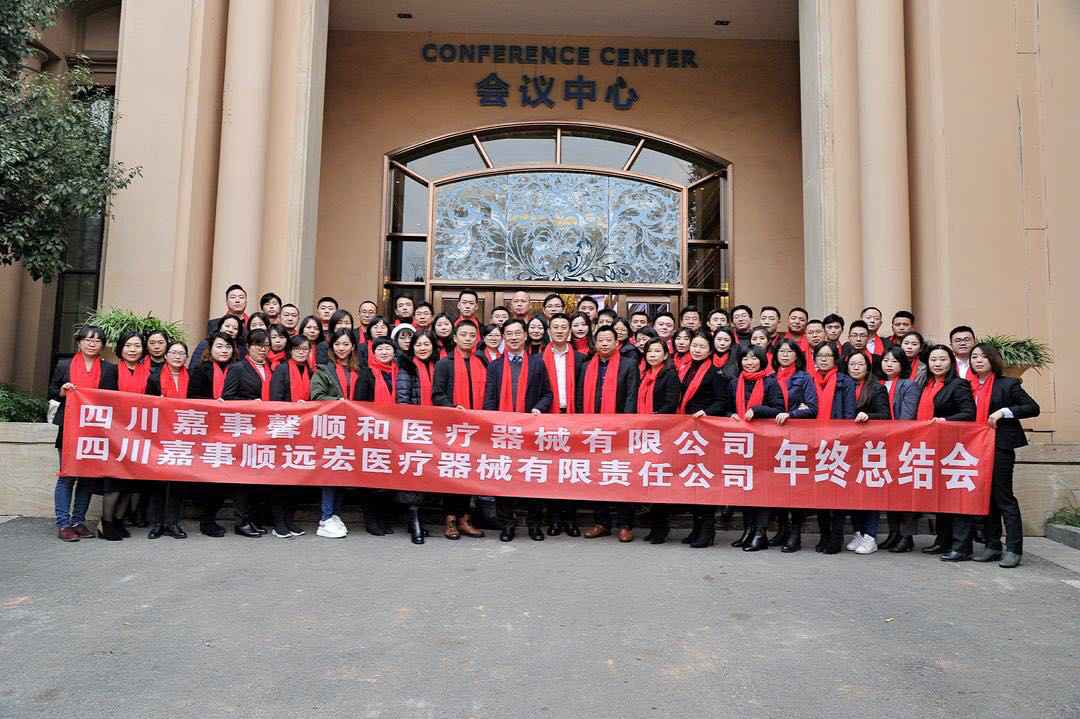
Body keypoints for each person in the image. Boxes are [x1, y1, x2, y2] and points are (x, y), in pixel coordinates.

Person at [944, 343, 1038, 567]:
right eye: (974, 357)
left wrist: (1004, 412)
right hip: (973, 449)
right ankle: (993, 545)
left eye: (983, 357)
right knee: (984, 498)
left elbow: (1032, 408)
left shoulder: (1008, 384)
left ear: (993, 360)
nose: (978, 360)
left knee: (1003, 497)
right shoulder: (967, 386)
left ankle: (1014, 549)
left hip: (999, 446)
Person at [482, 319, 553, 541]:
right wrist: (492, 422)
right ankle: (507, 525)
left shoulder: (537, 364)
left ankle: (534, 525)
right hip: (504, 433)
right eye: (509, 334)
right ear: (504, 337)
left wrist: (538, 409)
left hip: (530, 431)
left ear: (525, 336)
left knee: (532, 477)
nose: (513, 337)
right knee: (504, 478)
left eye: (517, 333)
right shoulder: (494, 366)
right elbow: (489, 399)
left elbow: (548, 394)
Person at [49, 325, 118, 541]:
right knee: (67, 476)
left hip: (94, 429)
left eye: (97, 341)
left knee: (87, 477)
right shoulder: (64, 364)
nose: (92, 344)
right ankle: (63, 523)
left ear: (102, 345)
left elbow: (112, 398)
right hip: (69, 428)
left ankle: (78, 521)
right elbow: (52, 391)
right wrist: (63, 391)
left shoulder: (108, 369)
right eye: (87, 339)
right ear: (79, 342)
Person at [578, 326, 639, 541]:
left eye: (608, 340)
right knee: (597, 476)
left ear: (617, 343)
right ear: (595, 343)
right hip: (593, 431)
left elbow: (631, 396)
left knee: (621, 475)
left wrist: (625, 425)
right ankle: (601, 522)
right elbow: (580, 397)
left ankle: (625, 524)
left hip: (620, 431)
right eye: (600, 340)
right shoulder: (586, 366)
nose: (604, 343)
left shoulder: (629, 364)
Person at [676, 332, 735, 549]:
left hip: (705, 432)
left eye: (702, 346)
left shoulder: (715, 373)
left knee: (703, 481)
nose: (697, 349)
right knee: (692, 480)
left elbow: (721, 402)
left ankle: (708, 530)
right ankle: (696, 527)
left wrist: (705, 412)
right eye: (694, 345)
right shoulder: (684, 369)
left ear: (710, 350)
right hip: (687, 432)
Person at [916, 344, 977, 555]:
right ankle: (943, 540)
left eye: (942, 359)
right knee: (940, 497)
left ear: (951, 362)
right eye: (933, 360)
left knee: (956, 497)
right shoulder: (926, 384)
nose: (937, 364)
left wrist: (945, 420)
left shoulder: (959, 385)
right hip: (932, 447)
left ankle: (962, 546)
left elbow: (969, 413)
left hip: (953, 448)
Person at [432, 321, 487, 539]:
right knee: (453, 472)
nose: (467, 338)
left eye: (472, 335)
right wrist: (454, 408)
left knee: (469, 473)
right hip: (452, 427)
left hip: (476, 428)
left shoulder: (481, 362)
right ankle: (450, 520)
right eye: (463, 334)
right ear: (455, 338)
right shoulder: (444, 364)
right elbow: (437, 394)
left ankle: (465, 518)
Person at [728, 346, 785, 551]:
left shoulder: (770, 382)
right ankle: (748, 530)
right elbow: (727, 407)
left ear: (761, 361)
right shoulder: (735, 382)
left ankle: (760, 533)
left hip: (764, 443)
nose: (749, 362)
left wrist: (756, 410)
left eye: (753, 358)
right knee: (745, 488)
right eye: (745, 358)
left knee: (761, 488)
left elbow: (779, 409)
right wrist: (731, 414)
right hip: (742, 443)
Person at [354, 337, 413, 537]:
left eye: (388, 348)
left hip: (393, 433)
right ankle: (371, 520)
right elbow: (359, 404)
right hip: (371, 432)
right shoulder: (367, 373)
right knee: (372, 478)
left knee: (389, 477)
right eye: (380, 349)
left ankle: (384, 519)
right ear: (373, 353)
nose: (384, 352)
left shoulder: (398, 372)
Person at [309, 327, 361, 539]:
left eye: (346, 344)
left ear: (353, 346)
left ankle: (335, 514)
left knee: (344, 472)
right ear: (331, 347)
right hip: (333, 429)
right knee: (330, 472)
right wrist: (340, 403)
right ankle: (325, 517)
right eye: (338, 344)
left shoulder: (360, 370)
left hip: (355, 429)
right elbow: (317, 396)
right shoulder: (323, 371)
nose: (342, 348)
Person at [102, 330, 154, 540]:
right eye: (128, 346)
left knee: (130, 482)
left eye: (137, 346)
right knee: (115, 480)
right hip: (115, 433)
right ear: (120, 348)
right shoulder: (111, 371)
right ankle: (105, 523)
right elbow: (104, 400)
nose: (133, 350)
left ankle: (118, 520)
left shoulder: (149, 374)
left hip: (139, 434)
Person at [221, 328, 274, 538]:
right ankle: (241, 521)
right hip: (245, 429)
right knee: (243, 478)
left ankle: (252, 519)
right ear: (248, 347)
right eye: (258, 345)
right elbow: (227, 397)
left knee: (259, 477)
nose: (263, 350)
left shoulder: (271, 368)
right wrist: (251, 404)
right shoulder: (238, 368)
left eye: (266, 346)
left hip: (266, 431)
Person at [768, 339, 819, 552]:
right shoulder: (770, 378)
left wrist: (792, 413)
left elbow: (812, 408)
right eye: (781, 351)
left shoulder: (804, 378)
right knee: (778, 487)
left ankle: (795, 534)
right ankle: (782, 530)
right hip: (773, 438)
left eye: (789, 351)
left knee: (795, 487)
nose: (785, 354)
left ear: (797, 356)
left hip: (797, 438)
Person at [187, 331, 237, 537]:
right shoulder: (200, 370)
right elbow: (193, 398)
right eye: (219, 346)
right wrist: (214, 405)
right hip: (206, 431)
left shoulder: (237, 369)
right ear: (210, 349)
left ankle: (211, 516)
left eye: (228, 347)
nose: (224, 351)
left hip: (231, 431)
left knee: (223, 478)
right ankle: (206, 520)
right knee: (208, 477)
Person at [809, 341, 857, 554]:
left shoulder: (845, 382)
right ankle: (824, 535)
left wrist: (842, 438)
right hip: (814, 442)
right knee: (819, 493)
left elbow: (849, 413)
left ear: (835, 359)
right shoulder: (809, 380)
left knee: (836, 493)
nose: (824, 359)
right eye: (820, 356)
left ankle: (836, 537)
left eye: (828, 356)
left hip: (838, 443)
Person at [541, 313, 586, 536]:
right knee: (551, 471)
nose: (559, 331)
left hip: (572, 418)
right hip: (548, 418)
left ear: (569, 331)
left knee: (571, 471)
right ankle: (554, 519)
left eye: (563, 327)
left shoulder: (580, 359)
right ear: (549, 331)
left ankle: (570, 519)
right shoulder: (538, 358)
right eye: (555, 327)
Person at [636, 337, 682, 545]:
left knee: (659, 480)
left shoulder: (669, 375)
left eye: (657, 351)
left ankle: (661, 528)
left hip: (663, 433)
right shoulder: (645, 374)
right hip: (645, 433)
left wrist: (653, 418)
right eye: (649, 351)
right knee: (648, 478)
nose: (653, 355)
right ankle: (655, 526)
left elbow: (671, 403)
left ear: (665, 355)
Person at [267, 335, 313, 539]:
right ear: (290, 351)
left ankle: (290, 520)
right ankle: (279, 523)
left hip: (304, 432)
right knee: (281, 480)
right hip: (284, 431)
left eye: (305, 349)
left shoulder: (311, 370)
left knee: (297, 480)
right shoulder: (282, 370)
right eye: (297, 349)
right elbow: (275, 401)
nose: (302, 352)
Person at [877, 346, 923, 553]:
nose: (889, 364)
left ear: (902, 364)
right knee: (889, 491)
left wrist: (894, 435)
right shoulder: (877, 384)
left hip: (902, 443)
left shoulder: (909, 385)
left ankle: (906, 536)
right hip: (881, 445)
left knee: (904, 492)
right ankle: (893, 533)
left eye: (894, 361)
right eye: (886, 360)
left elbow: (907, 416)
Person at [144, 339, 191, 540]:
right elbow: (146, 403)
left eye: (182, 353)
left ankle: (173, 523)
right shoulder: (154, 377)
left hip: (184, 435)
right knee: (159, 482)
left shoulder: (192, 377)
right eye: (173, 353)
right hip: (160, 435)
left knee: (178, 482)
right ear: (165, 356)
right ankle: (157, 524)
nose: (177, 357)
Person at [845, 352, 891, 554]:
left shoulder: (876, 387)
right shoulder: (844, 385)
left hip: (871, 447)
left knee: (870, 491)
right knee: (852, 492)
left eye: (860, 364)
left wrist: (868, 416)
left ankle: (871, 536)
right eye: (852, 364)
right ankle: (859, 532)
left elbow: (885, 415)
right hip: (849, 446)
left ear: (868, 367)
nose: (856, 367)